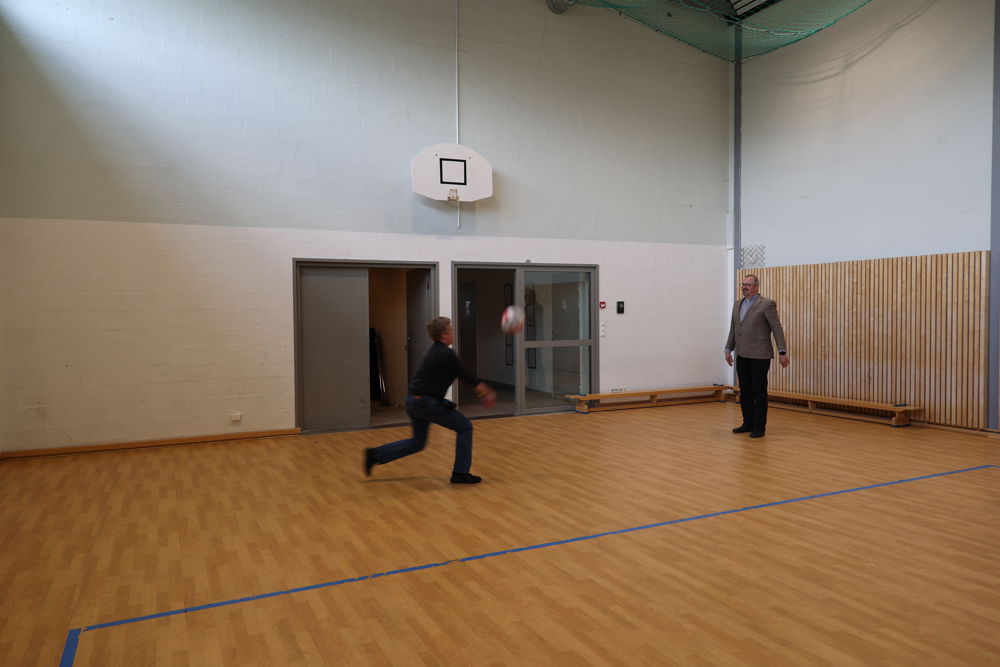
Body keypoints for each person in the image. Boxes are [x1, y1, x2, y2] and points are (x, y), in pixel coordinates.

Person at [364, 316, 496, 484]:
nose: (453, 332)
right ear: (444, 335)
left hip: (414, 401)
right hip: (426, 403)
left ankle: (375, 454)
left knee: (418, 443)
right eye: (451, 330)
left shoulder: (435, 351)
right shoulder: (446, 354)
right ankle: (460, 473)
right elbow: (465, 376)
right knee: (464, 427)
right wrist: (487, 393)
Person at [724, 274, 789, 438]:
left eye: (748, 285)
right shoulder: (737, 304)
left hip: (760, 355)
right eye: (743, 284)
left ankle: (759, 427)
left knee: (758, 392)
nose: (744, 287)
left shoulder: (766, 304)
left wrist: (782, 351)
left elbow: (777, 328)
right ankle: (747, 423)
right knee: (745, 391)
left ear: (756, 287)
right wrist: (728, 349)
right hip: (742, 354)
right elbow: (734, 329)